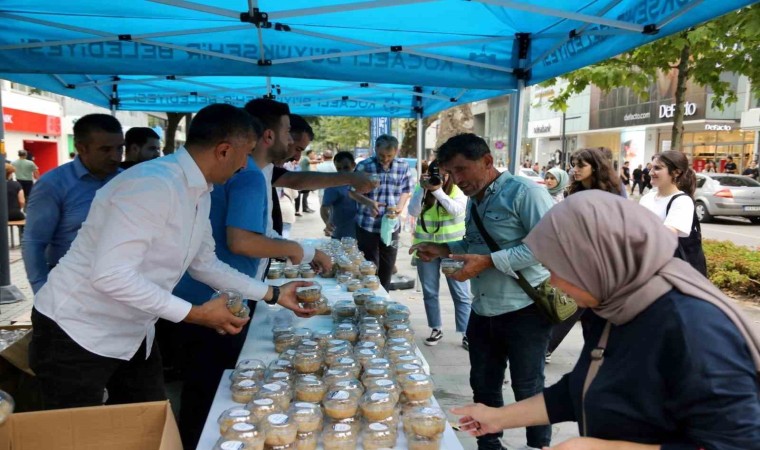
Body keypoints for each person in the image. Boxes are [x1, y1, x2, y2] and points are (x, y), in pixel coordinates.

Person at [29, 104, 314, 412]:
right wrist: (196, 314)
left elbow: (204, 263)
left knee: (150, 422)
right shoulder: (153, 185)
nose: (245, 166)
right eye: (245, 155)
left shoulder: (199, 190)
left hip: (135, 329)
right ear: (223, 151)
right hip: (77, 330)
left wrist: (273, 294)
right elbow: (111, 275)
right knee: (76, 431)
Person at [452, 191, 760, 450]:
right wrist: (497, 418)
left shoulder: (694, 328)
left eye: (559, 268)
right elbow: (583, 386)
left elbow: (737, 444)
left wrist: (600, 447)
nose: (553, 282)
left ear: (596, 261)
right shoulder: (616, 303)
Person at [411, 134, 554, 450]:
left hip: (525, 309)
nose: (456, 179)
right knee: (483, 385)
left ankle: (539, 446)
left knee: (528, 387)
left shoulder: (525, 193)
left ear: (487, 161)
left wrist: (488, 262)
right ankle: (489, 445)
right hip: (484, 308)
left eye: (461, 169)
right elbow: (473, 244)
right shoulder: (475, 200)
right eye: (450, 172)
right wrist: (443, 249)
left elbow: (546, 246)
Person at [22, 114, 124, 293]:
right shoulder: (53, 184)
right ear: (81, 148)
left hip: (121, 283)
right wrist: (41, 292)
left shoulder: (128, 180)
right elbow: (34, 242)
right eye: (105, 149)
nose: (115, 157)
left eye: (119, 148)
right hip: (70, 284)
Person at [408, 159, 471, 349]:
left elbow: (456, 210)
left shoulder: (457, 190)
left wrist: (437, 191)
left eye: (443, 174)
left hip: (452, 249)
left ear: (450, 174)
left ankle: (466, 332)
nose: (439, 177)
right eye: (435, 173)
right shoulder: (423, 189)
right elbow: (413, 211)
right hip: (426, 248)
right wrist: (422, 189)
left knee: (461, 293)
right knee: (429, 291)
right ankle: (435, 328)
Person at [351, 135, 413, 291]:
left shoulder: (403, 166)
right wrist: (369, 203)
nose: (385, 159)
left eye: (389, 156)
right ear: (375, 149)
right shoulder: (364, 166)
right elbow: (351, 192)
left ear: (396, 151)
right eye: (381, 155)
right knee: (369, 265)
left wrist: (400, 207)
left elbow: (406, 190)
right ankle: (369, 296)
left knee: (388, 264)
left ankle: (384, 297)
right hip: (367, 223)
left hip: (391, 225)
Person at [639, 151, 706, 275]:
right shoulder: (647, 198)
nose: (651, 172)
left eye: (657, 168)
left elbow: (667, 236)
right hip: (647, 267)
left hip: (671, 272)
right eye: (651, 167)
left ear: (676, 172)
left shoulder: (682, 201)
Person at [321, 151, 359, 239]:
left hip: (363, 234)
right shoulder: (333, 186)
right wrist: (327, 222)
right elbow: (324, 208)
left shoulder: (361, 183)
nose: (342, 172)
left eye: (346, 167)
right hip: (340, 235)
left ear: (353, 165)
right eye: (339, 168)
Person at [296, 149, 316, 214]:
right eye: (313, 154)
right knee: (305, 194)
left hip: (304, 179)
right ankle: (303, 208)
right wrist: (320, 161)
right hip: (304, 179)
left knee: (305, 194)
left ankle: (304, 208)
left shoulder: (305, 158)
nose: (314, 155)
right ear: (309, 154)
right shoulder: (306, 158)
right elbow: (311, 162)